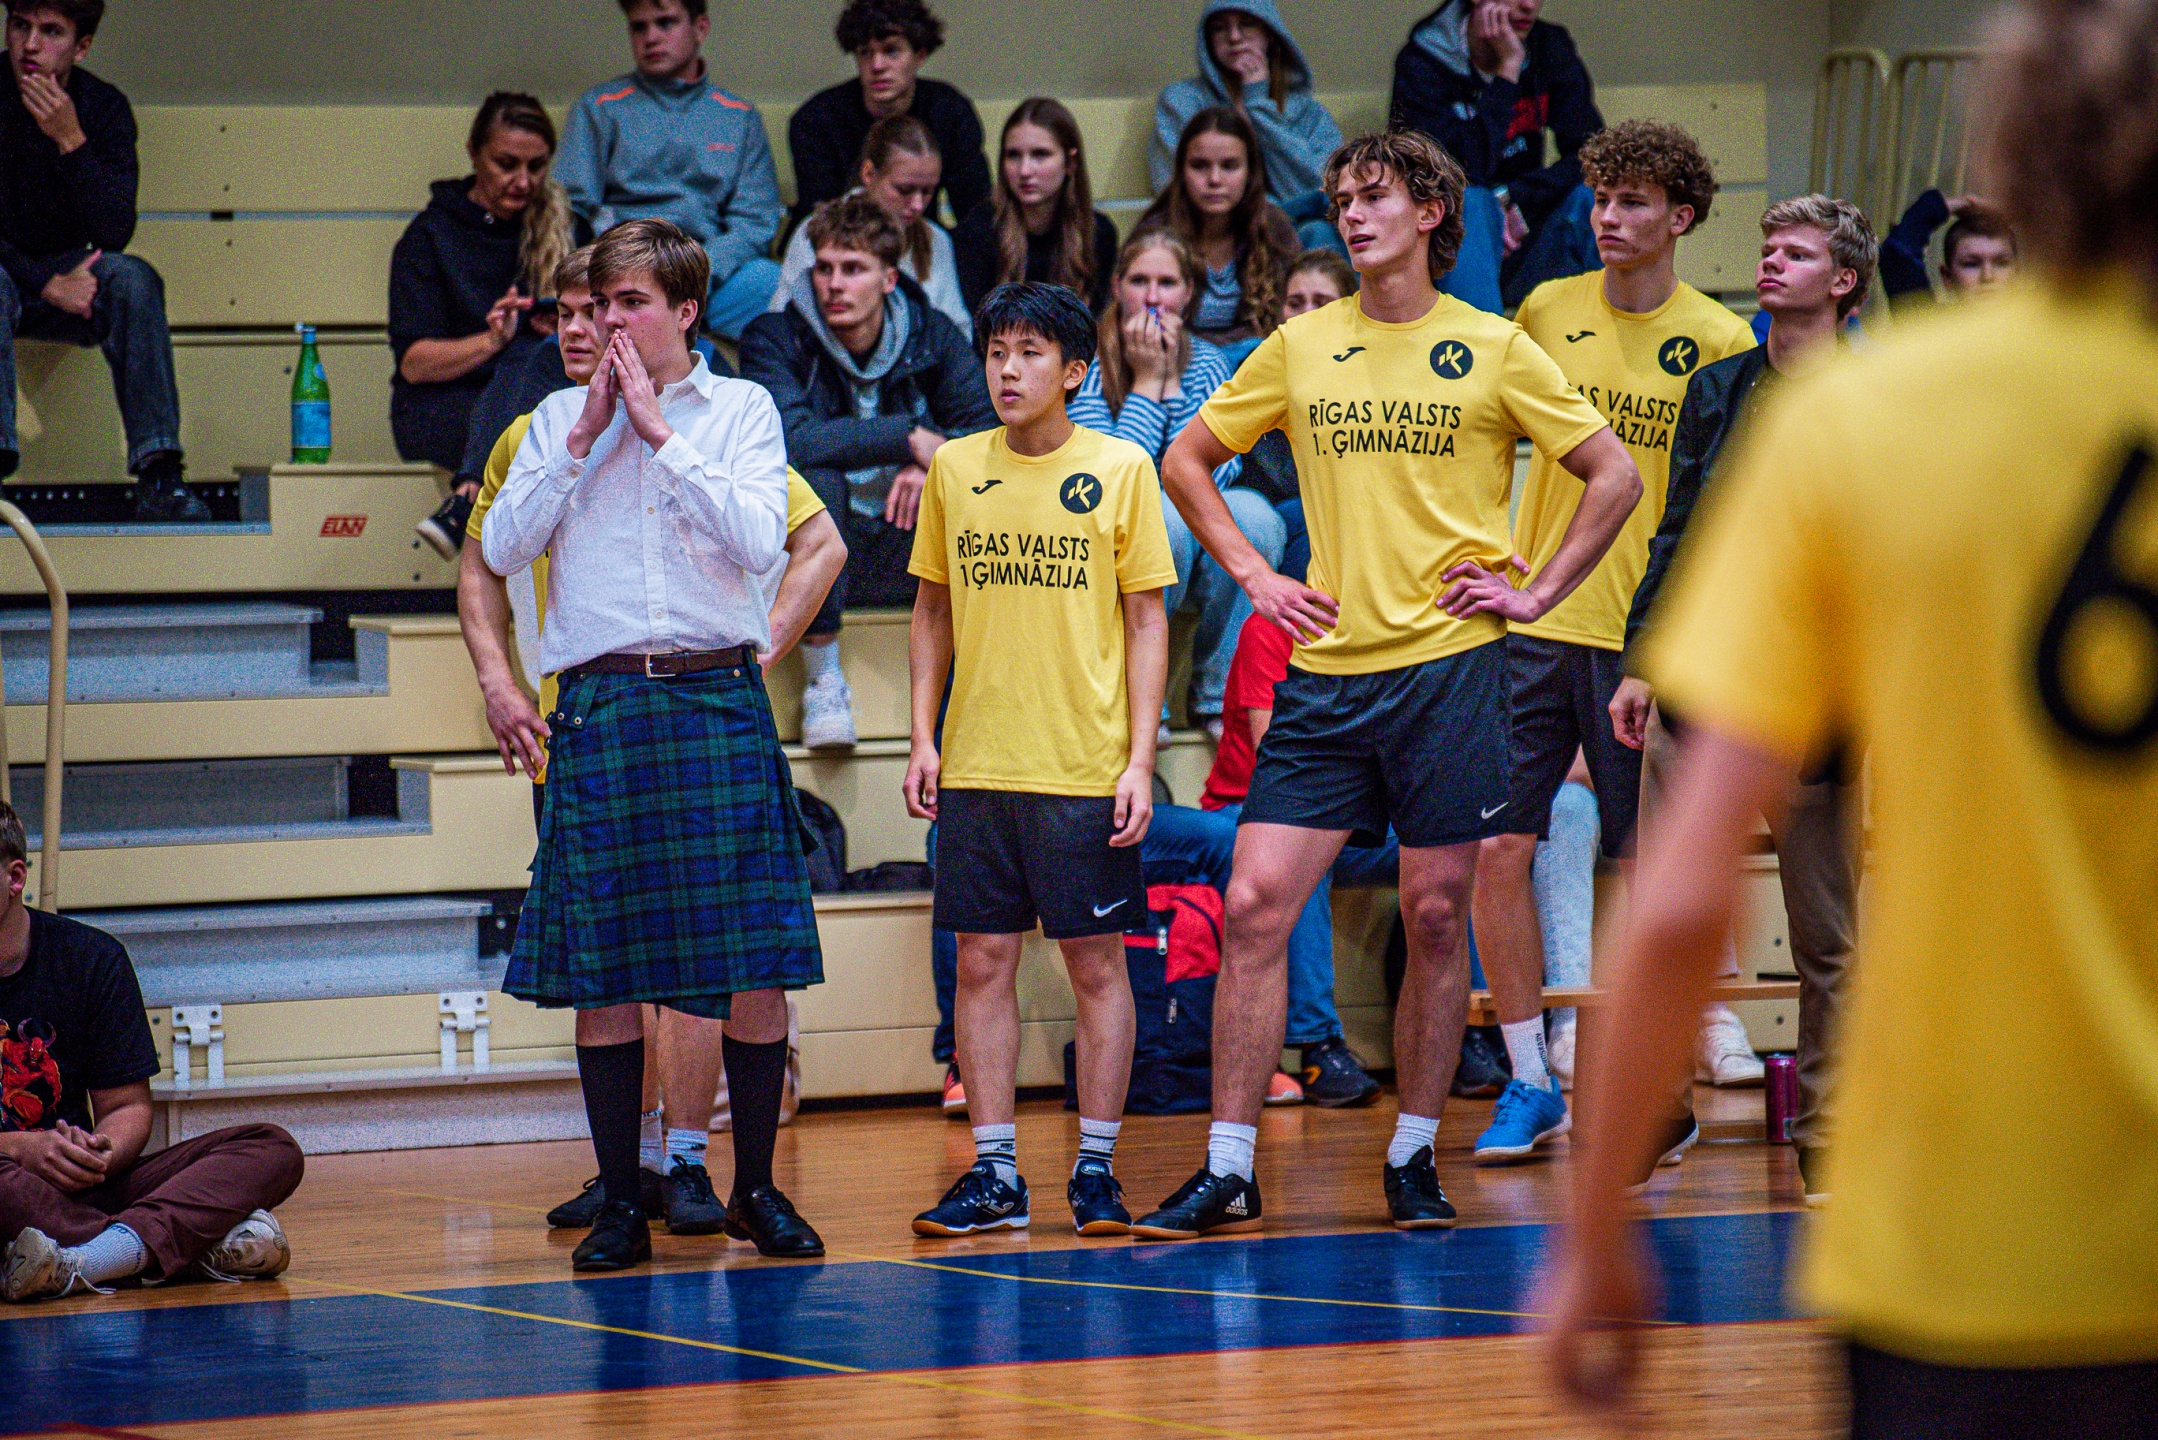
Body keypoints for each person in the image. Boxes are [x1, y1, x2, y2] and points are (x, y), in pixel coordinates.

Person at [1548, 6, 2158, 1429]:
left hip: (1954, 1234)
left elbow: (1680, 895)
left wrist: (1594, 1228)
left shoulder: (1863, 418)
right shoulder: (1782, 397)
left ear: (2008, 155)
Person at [1138, 130, 1637, 1238]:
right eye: (1343, 199)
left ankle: (1412, 1153)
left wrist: (1535, 592)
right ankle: (1228, 1166)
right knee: (1254, 902)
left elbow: (1613, 472)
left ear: (1431, 212)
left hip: (1452, 674)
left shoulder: (1494, 345)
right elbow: (1185, 459)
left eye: (1375, 196)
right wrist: (1254, 572)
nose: (1353, 215)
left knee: (1435, 912)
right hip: (1325, 675)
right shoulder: (1302, 342)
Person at [460, 247, 845, 1237]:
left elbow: (762, 542)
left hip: (717, 697)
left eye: (630, 302)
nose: (608, 322)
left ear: (685, 311)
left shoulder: (743, 410)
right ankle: (622, 1198)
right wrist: (587, 434)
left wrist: (660, 434)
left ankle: (755, 1188)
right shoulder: (554, 419)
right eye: (598, 304)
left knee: (753, 961)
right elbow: (500, 549)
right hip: (601, 702)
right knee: (607, 969)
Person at [1468, 119, 1756, 1166]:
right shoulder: (1545, 310)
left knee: (1649, 872)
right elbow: (1483, 441)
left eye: (1632, 201)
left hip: (1649, 641)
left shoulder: (1721, 340)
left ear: (1681, 218)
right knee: (1497, 849)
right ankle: (1530, 1079)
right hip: (1536, 623)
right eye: (1600, 199)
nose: (1608, 218)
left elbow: (1724, 506)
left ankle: (1658, 1096)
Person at [1611, 194, 1877, 1200]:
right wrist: (1642, 659)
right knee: (1665, 922)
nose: (1769, 264)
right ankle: (1660, 1106)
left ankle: (1827, 1131)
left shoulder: (1876, 395)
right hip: (1703, 685)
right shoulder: (1717, 388)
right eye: (1767, 249)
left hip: (1817, 701)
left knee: (1825, 936)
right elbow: (1675, 531)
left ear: (1842, 281)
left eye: (1795, 253)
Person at [903, 281, 1175, 1238]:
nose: (1007, 371)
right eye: (995, 352)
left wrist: (1138, 759)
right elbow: (931, 609)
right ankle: (994, 1176)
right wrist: (923, 736)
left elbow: (1147, 619)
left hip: (1082, 767)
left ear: (1075, 373)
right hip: (978, 765)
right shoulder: (955, 468)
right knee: (981, 962)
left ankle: (1095, 1170)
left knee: (1097, 968)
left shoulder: (1121, 468)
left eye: (1028, 354)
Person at [0, 802, 302, 1302]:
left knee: (272, 1148)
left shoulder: (91, 958)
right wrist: (19, 1148)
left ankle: (82, 1259)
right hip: (10, 1183)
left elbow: (128, 1107)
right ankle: (172, 1248)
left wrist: (97, 1152)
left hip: (86, 1188)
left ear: (14, 878)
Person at [740, 192, 995, 749]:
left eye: (852, 269)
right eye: (824, 268)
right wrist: (909, 438)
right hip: (817, 549)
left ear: (888, 278)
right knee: (813, 482)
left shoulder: (933, 334)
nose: (833, 284)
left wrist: (934, 467)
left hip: (908, 539)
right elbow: (791, 440)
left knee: (972, 488)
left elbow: (986, 434)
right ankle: (824, 682)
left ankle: (977, 689)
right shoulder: (774, 338)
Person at [1143, 610, 1390, 1107]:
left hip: (1352, 811)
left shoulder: (1385, 626)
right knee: (1299, 844)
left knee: (1457, 842)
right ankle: (1317, 1044)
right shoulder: (1274, 627)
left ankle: (1478, 1034)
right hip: (1256, 807)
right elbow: (1277, 757)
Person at [1067, 229, 1284, 732]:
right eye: (1139, 281)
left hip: (1189, 524)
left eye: (1166, 283)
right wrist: (1150, 383)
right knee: (1164, 518)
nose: (1152, 297)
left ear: (1188, 294)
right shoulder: (1087, 360)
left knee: (1257, 517)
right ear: (1117, 287)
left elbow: (1218, 468)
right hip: (1099, 527)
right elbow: (1111, 477)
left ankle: (1216, 694)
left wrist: (1170, 384)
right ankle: (1143, 697)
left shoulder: (1207, 361)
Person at [0, 0, 208, 521]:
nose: (30, 46)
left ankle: (160, 473)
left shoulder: (104, 108)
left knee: (133, 279)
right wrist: (45, 282)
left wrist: (70, 140)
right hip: (11, 272)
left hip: (76, 274)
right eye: (20, 26)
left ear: (82, 46)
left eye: (51, 32)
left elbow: (114, 232)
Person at [394, 91, 574, 560]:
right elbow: (415, 365)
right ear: (474, 153)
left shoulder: (565, 226)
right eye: (506, 164)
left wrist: (564, 320)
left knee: (534, 361)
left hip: (535, 389)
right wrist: (495, 339)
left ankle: (467, 497)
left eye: (536, 166)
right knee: (527, 374)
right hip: (445, 402)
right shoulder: (429, 237)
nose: (523, 181)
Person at [555, 0, 784, 346]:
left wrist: (695, 271)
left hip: (709, 274)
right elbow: (569, 210)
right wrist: (624, 269)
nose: (651, 37)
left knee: (774, 283)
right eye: (639, 27)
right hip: (620, 271)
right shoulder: (599, 107)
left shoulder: (739, 116)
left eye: (665, 23)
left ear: (700, 28)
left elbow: (754, 222)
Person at [1389, 0, 1603, 313]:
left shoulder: (1549, 47)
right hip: (1450, 250)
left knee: (1593, 197)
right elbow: (1448, 177)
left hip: (1521, 228)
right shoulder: (1422, 63)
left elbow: (1594, 154)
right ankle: (1477, 339)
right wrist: (1507, 72)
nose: (1529, 5)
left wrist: (1512, 197)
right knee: (1470, 201)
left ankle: (1612, 334)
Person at [1150, 1, 1344, 252]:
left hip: (1301, 237)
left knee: (1321, 233)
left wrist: (1258, 104)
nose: (1234, 37)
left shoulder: (1309, 112)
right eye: (1220, 28)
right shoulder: (1181, 102)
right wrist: (1264, 211)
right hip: (1212, 231)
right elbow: (1174, 188)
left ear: (1270, 33)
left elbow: (1323, 194)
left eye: (1247, 24)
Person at [787, 0, 990, 232]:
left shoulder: (949, 112)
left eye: (891, 50)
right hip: (839, 244)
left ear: (920, 55)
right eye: (865, 52)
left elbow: (976, 210)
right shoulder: (817, 120)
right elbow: (819, 216)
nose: (877, 65)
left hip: (919, 240)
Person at [773, 115, 971, 335]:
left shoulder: (937, 240)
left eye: (927, 192)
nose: (917, 205)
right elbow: (782, 326)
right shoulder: (817, 232)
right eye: (904, 190)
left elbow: (958, 331)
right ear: (868, 173)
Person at [1135, 107, 1299, 361]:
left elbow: (1291, 317)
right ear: (1181, 171)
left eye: (1229, 166)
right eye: (1199, 166)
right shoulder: (1155, 234)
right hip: (1172, 362)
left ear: (1250, 171)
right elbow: (1138, 320)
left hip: (1258, 362)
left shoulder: (1274, 226)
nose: (1214, 179)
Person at [951, 98, 1121, 316]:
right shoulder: (977, 231)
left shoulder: (1098, 233)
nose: (1024, 170)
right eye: (1013, 155)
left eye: (1040, 155)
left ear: (1070, 163)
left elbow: (1095, 323)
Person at [1262, 248, 1360, 575]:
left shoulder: (1373, 375)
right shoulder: (1254, 372)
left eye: (1322, 302)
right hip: (1278, 514)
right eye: (1295, 303)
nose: (1307, 313)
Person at [1879, 189, 2017, 308]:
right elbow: (1898, 252)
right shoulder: (1929, 325)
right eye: (1971, 264)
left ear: (2017, 273)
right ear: (1947, 277)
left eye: (2001, 263)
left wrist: (2020, 215)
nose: (1987, 276)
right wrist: (1964, 203)